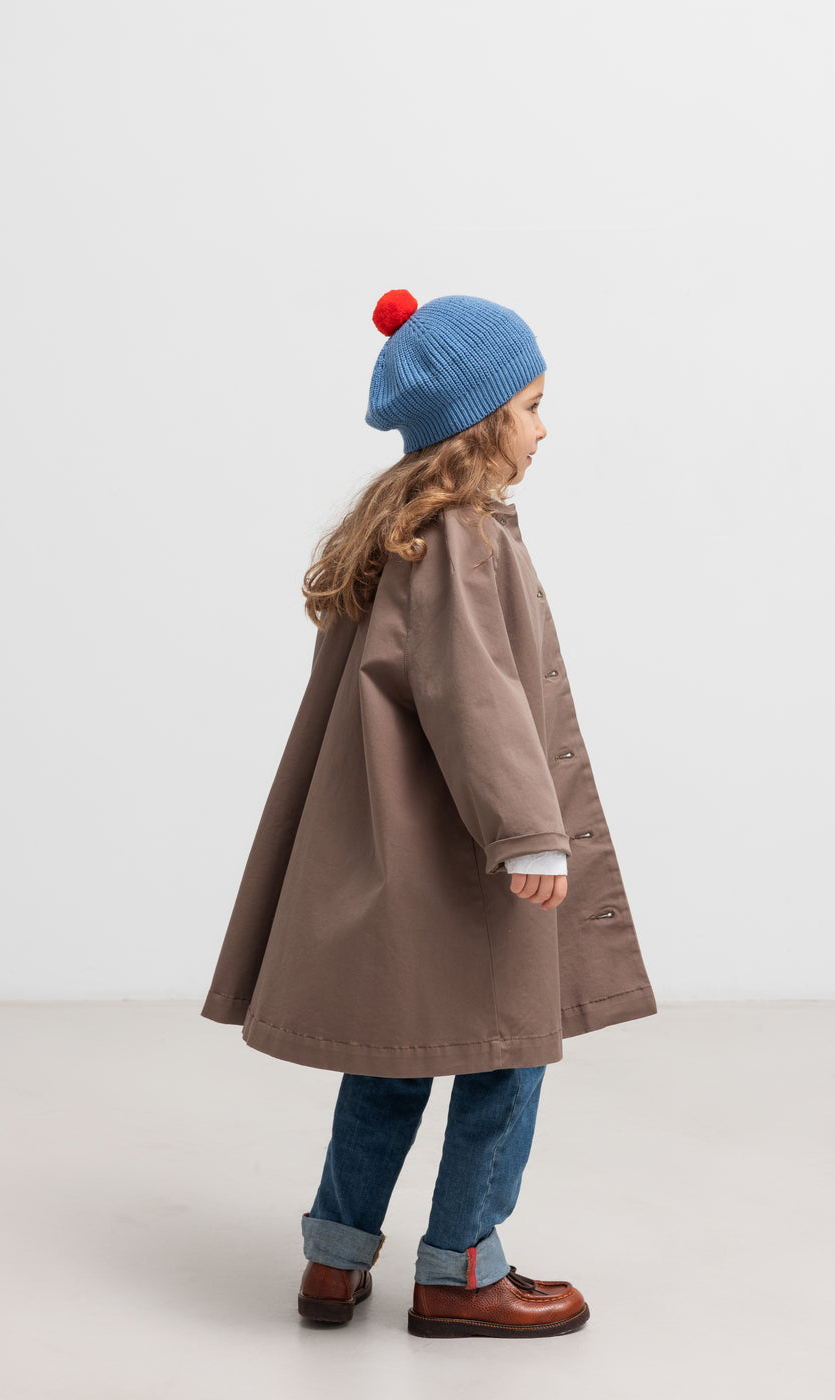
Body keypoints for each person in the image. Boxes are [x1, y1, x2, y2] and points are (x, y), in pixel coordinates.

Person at [200, 288, 658, 1339]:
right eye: (532, 405)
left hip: (397, 847)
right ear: (481, 419)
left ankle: (334, 1260)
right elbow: (471, 691)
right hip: (466, 849)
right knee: (507, 1047)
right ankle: (460, 1273)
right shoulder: (463, 537)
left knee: (390, 1053)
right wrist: (527, 831)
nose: (544, 428)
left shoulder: (400, 530)